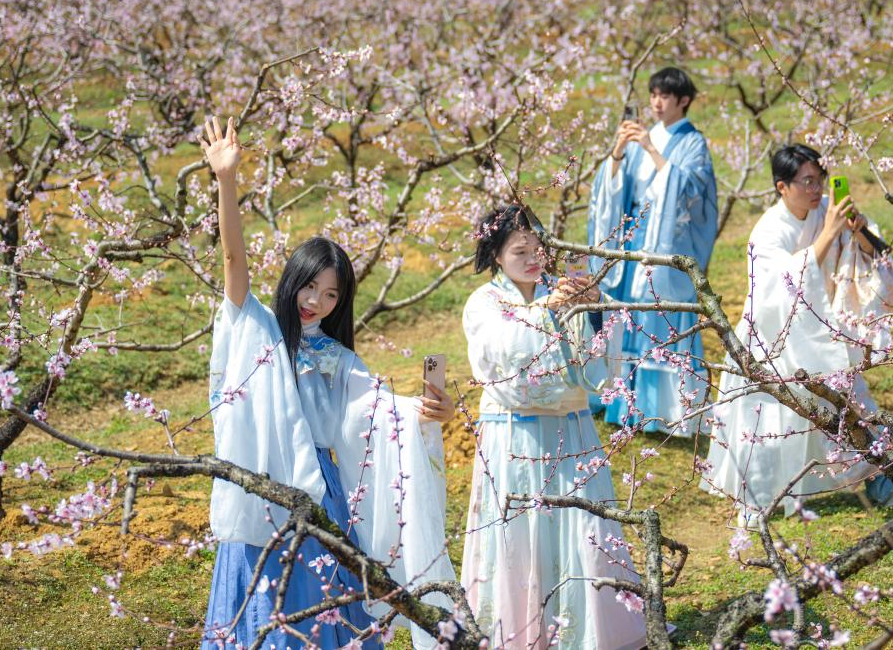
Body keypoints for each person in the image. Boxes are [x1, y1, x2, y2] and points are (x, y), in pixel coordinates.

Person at [198, 116, 456, 649]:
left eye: (331, 294)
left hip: (321, 495)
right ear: (292, 280)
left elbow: (377, 411)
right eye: (309, 286)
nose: (316, 301)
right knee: (263, 603)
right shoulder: (260, 331)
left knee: (325, 608)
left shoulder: (337, 358)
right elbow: (233, 264)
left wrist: (424, 412)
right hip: (261, 487)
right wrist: (226, 181)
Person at [460, 206, 646, 650]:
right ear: (497, 256)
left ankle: (591, 629)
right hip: (515, 434)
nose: (531, 258)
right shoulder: (484, 302)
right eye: (518, 250)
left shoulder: (560, 291)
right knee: (520, 533)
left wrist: (593, 309)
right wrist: (550, 310)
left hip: (572, 429)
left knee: (584, 524)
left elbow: (595, 369)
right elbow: (498, 353)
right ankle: (521, 629)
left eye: (537, 248)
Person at [699, 143, 893, 526]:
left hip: (818, 329)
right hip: (771, 337)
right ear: (782, 187)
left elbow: (874, 256)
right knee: (766, 418)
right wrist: (827, 234)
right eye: (807, 181)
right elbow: (779, 287)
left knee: (852, 405)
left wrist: (857, 233)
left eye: (820, 180)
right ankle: (756, 502)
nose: (816, 189)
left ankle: (883, 482)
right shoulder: (768, 230)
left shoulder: (826, 210)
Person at [588, 66, 718, 435]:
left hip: (667, 250)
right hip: (633, 247)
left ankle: (668, 412)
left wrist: (650, 149)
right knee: (628, 319)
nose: (657, 102)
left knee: (660, 319)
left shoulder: (693, 142)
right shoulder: (641, 137)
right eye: (654, 95)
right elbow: (612, 189)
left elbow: (693, 193)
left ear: (684, 100)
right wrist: (618, 151)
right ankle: (622, 406)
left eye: (665, 96)